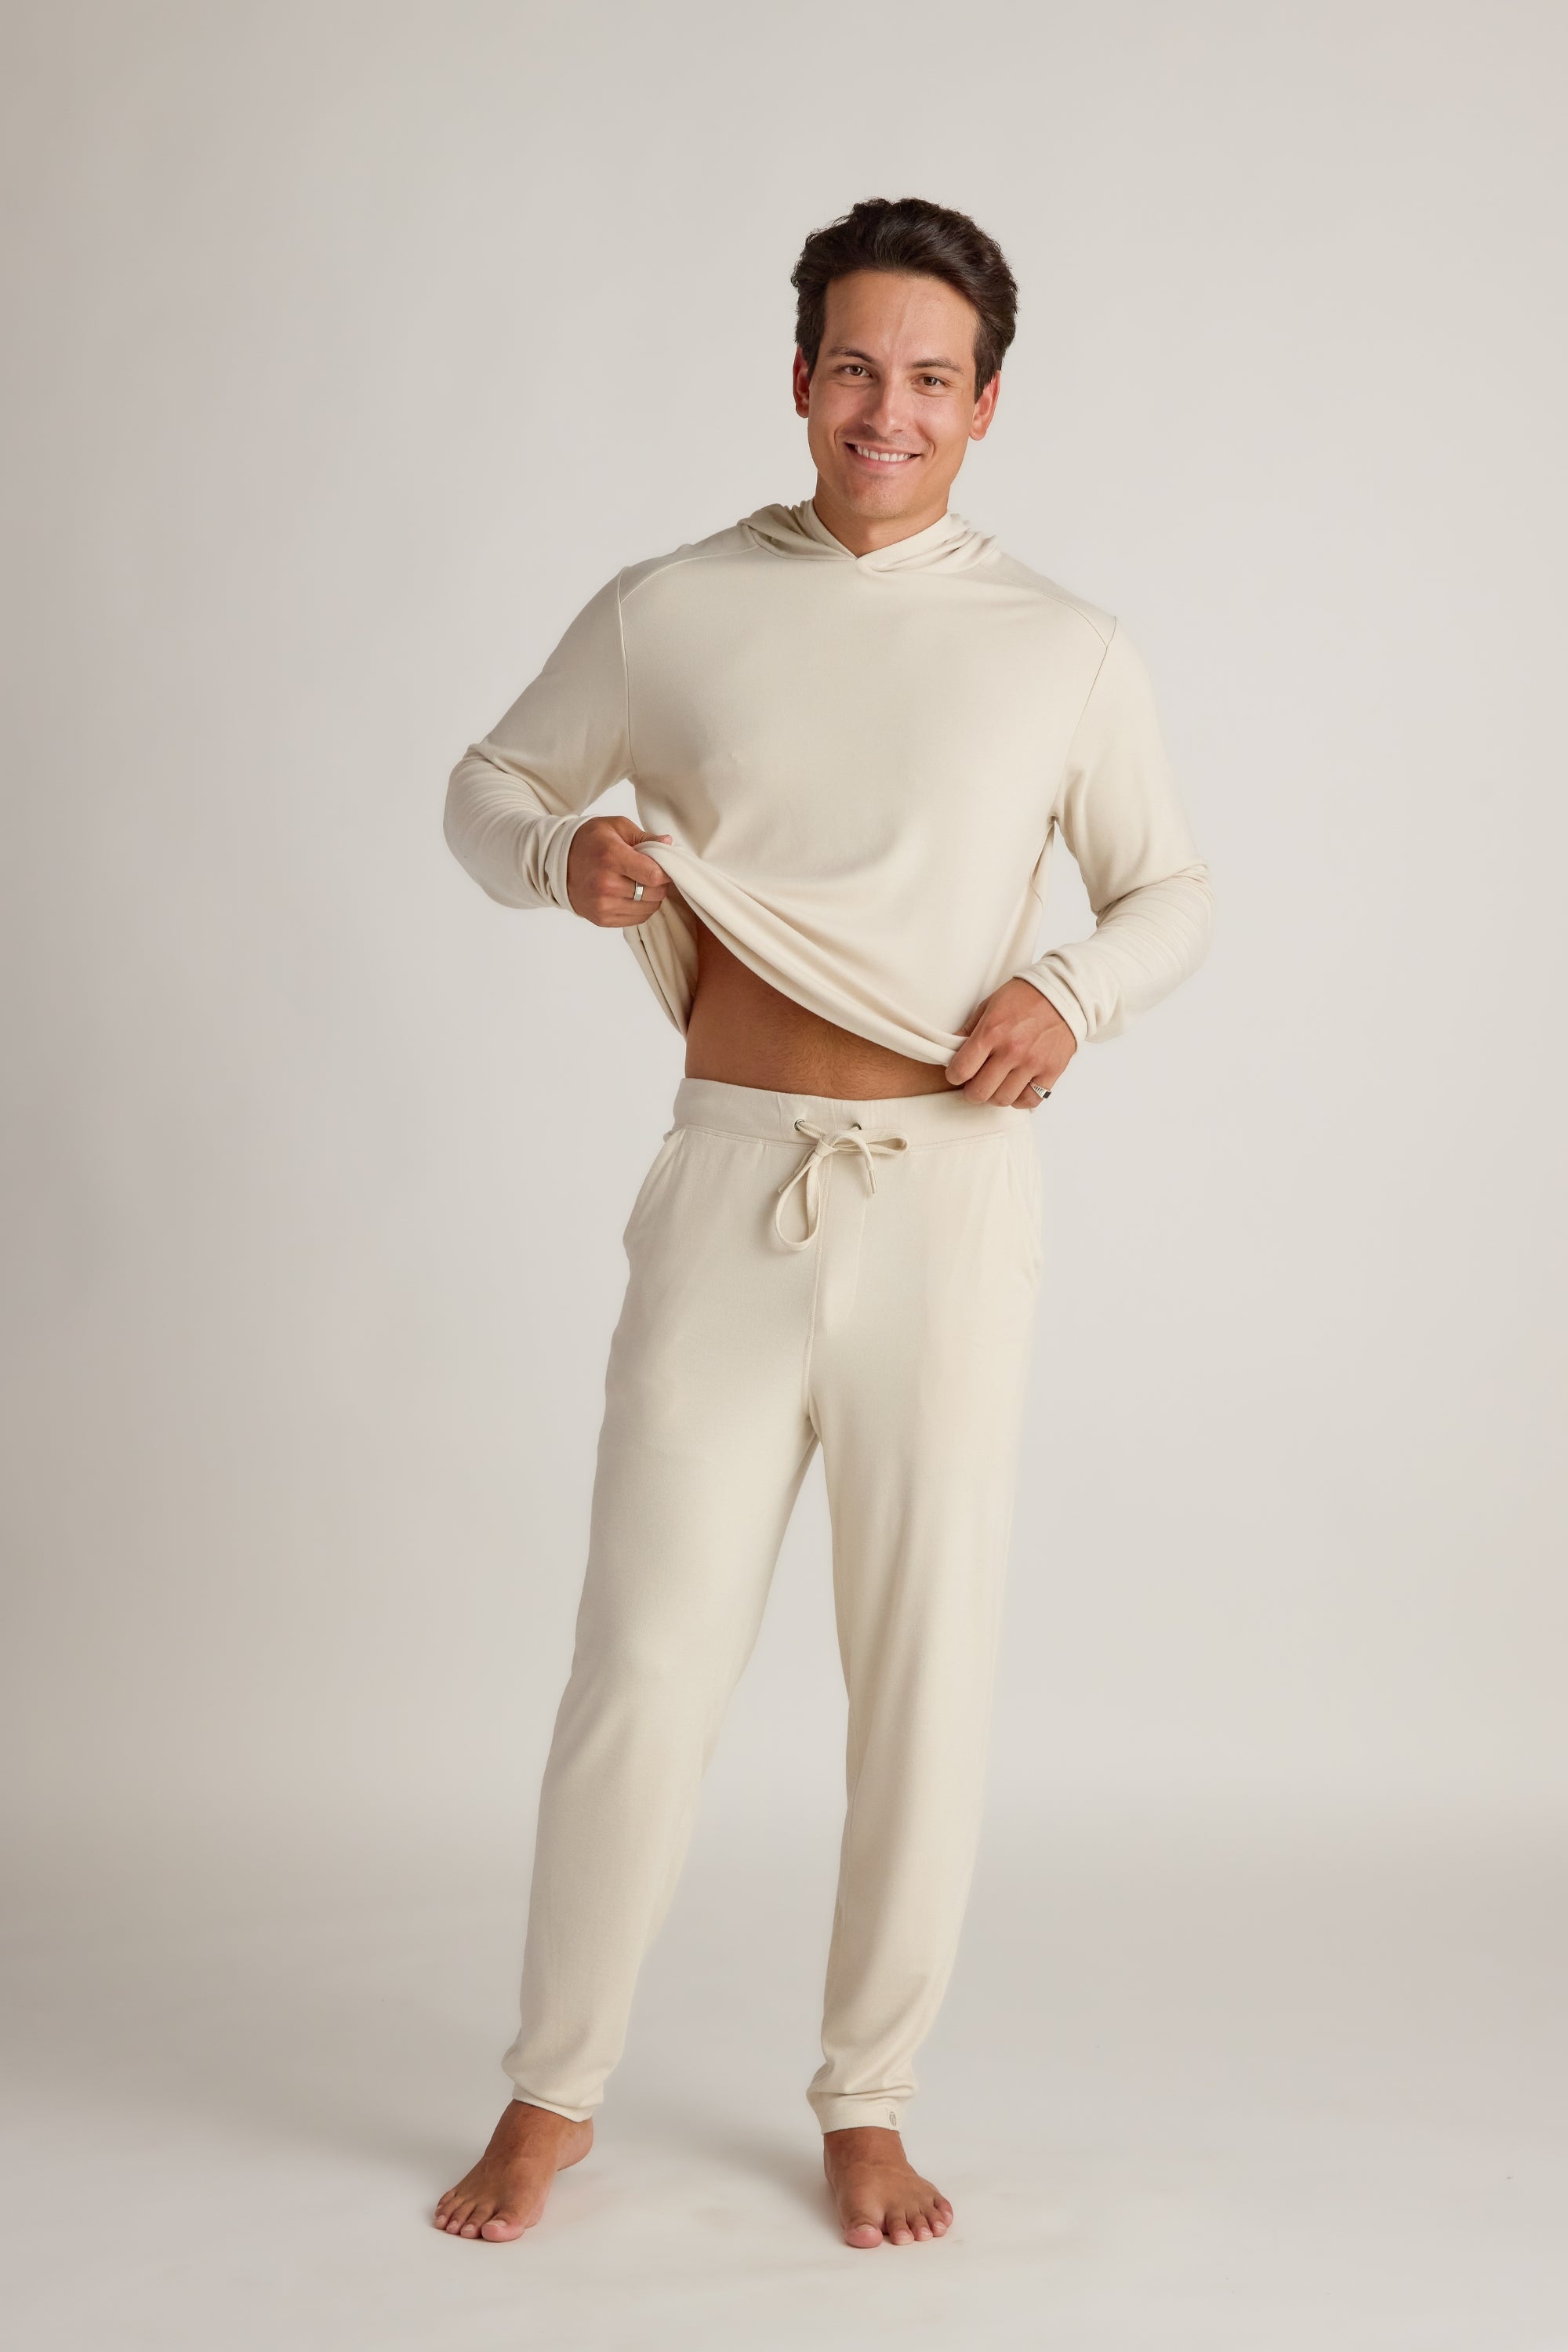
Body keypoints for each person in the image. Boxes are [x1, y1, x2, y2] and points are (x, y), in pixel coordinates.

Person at [433, 194, 1214, 2251]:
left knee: (922, 1668)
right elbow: (487, 785)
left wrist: (1073, 993)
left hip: (947, 1202)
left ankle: (869, 2098)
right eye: (856, 367)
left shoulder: (1063, 645)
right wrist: (562, 859)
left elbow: (1173, 893)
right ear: (799, 379)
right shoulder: (672, 607)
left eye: (933, 379)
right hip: (726, 1180)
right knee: (643, 1658)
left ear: (987, 407)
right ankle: (552, 2091)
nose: (890, 410)